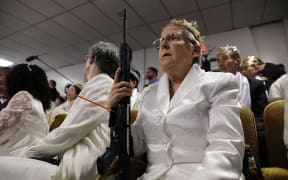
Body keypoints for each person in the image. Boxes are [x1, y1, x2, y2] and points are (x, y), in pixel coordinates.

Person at [108, 19, 245, 179]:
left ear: (195, 50)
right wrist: (115, 109)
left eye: (173, 38)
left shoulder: (219, 83)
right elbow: (136, 145)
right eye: (161, 42)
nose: (164, 45)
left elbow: (226, 148)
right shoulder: (149, 93)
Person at [0, 41, 119, 180]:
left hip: (80, 163)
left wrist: (29, 152)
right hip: (79, 156)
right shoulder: (101, 85)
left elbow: (70, 132)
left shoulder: (100, 83)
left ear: (91, 60)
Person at [0, 64, 51, 156]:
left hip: (18, 152)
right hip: (31, 151)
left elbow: (1, 124)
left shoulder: (23, 96)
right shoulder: (37, 102)